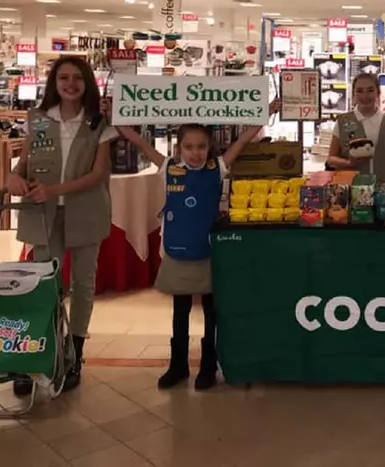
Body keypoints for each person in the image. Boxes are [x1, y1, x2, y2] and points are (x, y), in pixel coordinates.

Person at [115, 98, 279, 390]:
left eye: (201, 147)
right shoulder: (168, 168)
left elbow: (243, 139)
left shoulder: (218, 168)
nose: (195, 153)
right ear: (179, 149)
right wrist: (118, 119)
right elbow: (141, 143)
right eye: (189, 147)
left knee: (211, 311)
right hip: (178, 253)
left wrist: (267, 110)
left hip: (210, 252)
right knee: (180, 311)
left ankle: (208, 365)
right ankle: (177, 365)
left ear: (210, 147)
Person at [6, 57, 118, 394]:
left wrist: (55, 189)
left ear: (87, 83)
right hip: (43, 213)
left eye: (77, 78)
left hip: (86, 211)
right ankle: (42, 350)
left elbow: (97, 175)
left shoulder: (98, 124)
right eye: (63, 78)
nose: (70, 84)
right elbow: (25, 162)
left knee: (83, 283)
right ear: (54, 82)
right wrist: (14, 175)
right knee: (44, 284)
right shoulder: (39, 120)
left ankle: (75, 352)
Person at [327, 74, 385, 182]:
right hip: (351, 189)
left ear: (378, 93)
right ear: (353, 95)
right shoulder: (343, 121)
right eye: (359, 91)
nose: (365, 96)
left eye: (370, 90)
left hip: (382, 191)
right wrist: (349, 163)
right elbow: (330, 159)